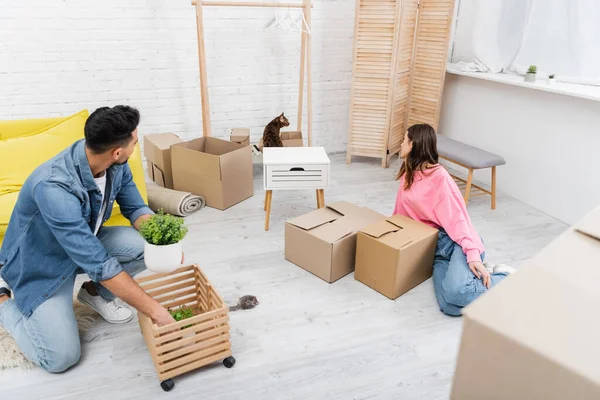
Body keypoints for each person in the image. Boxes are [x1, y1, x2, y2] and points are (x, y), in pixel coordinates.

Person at [0, 105, 176, 373]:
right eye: (134, 141)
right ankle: (2, 300)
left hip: (84, 242)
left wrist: (163, 242)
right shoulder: (53, 187)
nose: (134, 145)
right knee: (60, 358)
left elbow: (135, 208)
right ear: (117, 151)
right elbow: (99, 264)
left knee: (145, 249)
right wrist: (155, 310)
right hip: (41, 264)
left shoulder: (114, 164)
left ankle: (95, 294)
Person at [393, 124, 514, 316]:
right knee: (450, 307)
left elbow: (459, 220)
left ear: (413, 144)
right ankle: (480, 278)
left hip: (457, 243)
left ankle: (505, 277)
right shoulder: (408, 173)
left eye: (404, 139)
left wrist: (472, 254)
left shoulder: (439, 177)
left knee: (456, 294)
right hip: (435, 252)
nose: (400, 144)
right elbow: (400, 213)